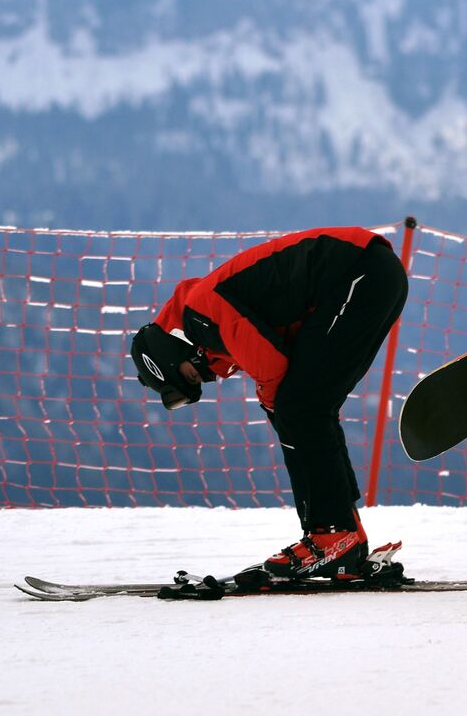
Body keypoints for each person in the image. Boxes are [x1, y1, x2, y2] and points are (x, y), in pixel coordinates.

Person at [130, 227, 408, 578]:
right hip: (373, 274)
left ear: (171, 350)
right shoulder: (204, 321)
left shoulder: (200, 314)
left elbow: (272, 367)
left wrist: (281, 414)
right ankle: (344, 535)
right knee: (310, 410)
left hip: (360, 273)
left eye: (188, 377)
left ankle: (333, 536)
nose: (203, 379)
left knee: (299, 408)